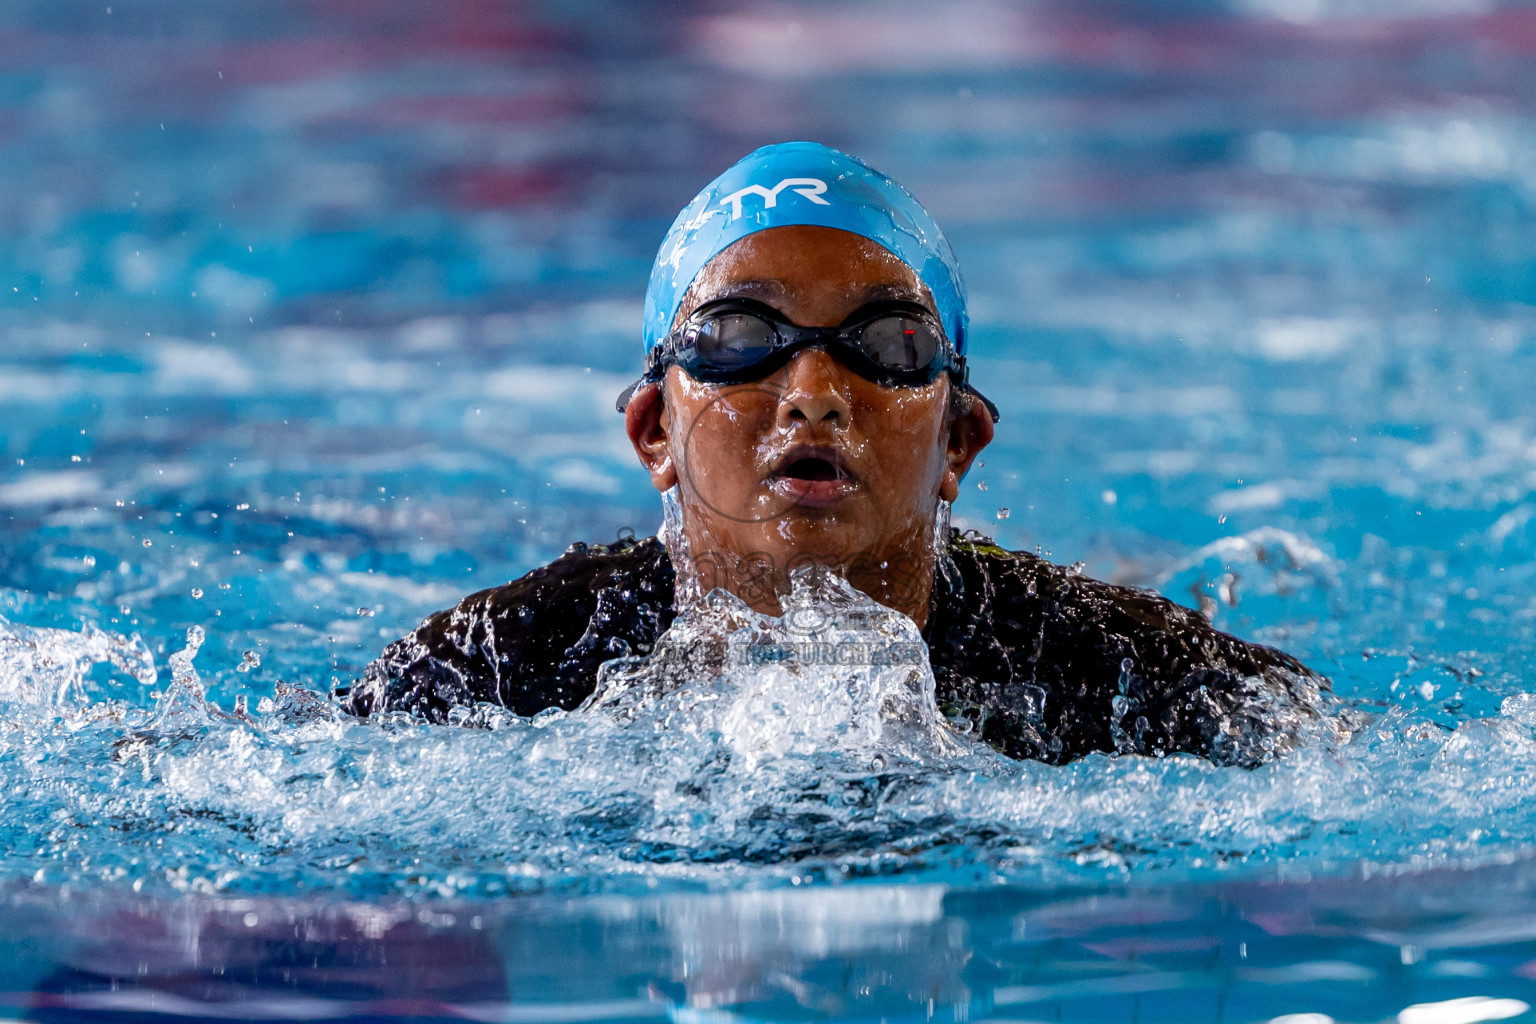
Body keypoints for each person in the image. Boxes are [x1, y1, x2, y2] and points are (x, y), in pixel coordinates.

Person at [347, 141, 1329, 766]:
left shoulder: (1110, 665)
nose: (813, 393)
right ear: (654, 432)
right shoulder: (498, 664)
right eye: (739, 338)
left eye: (887, 344)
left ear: (959, 441)